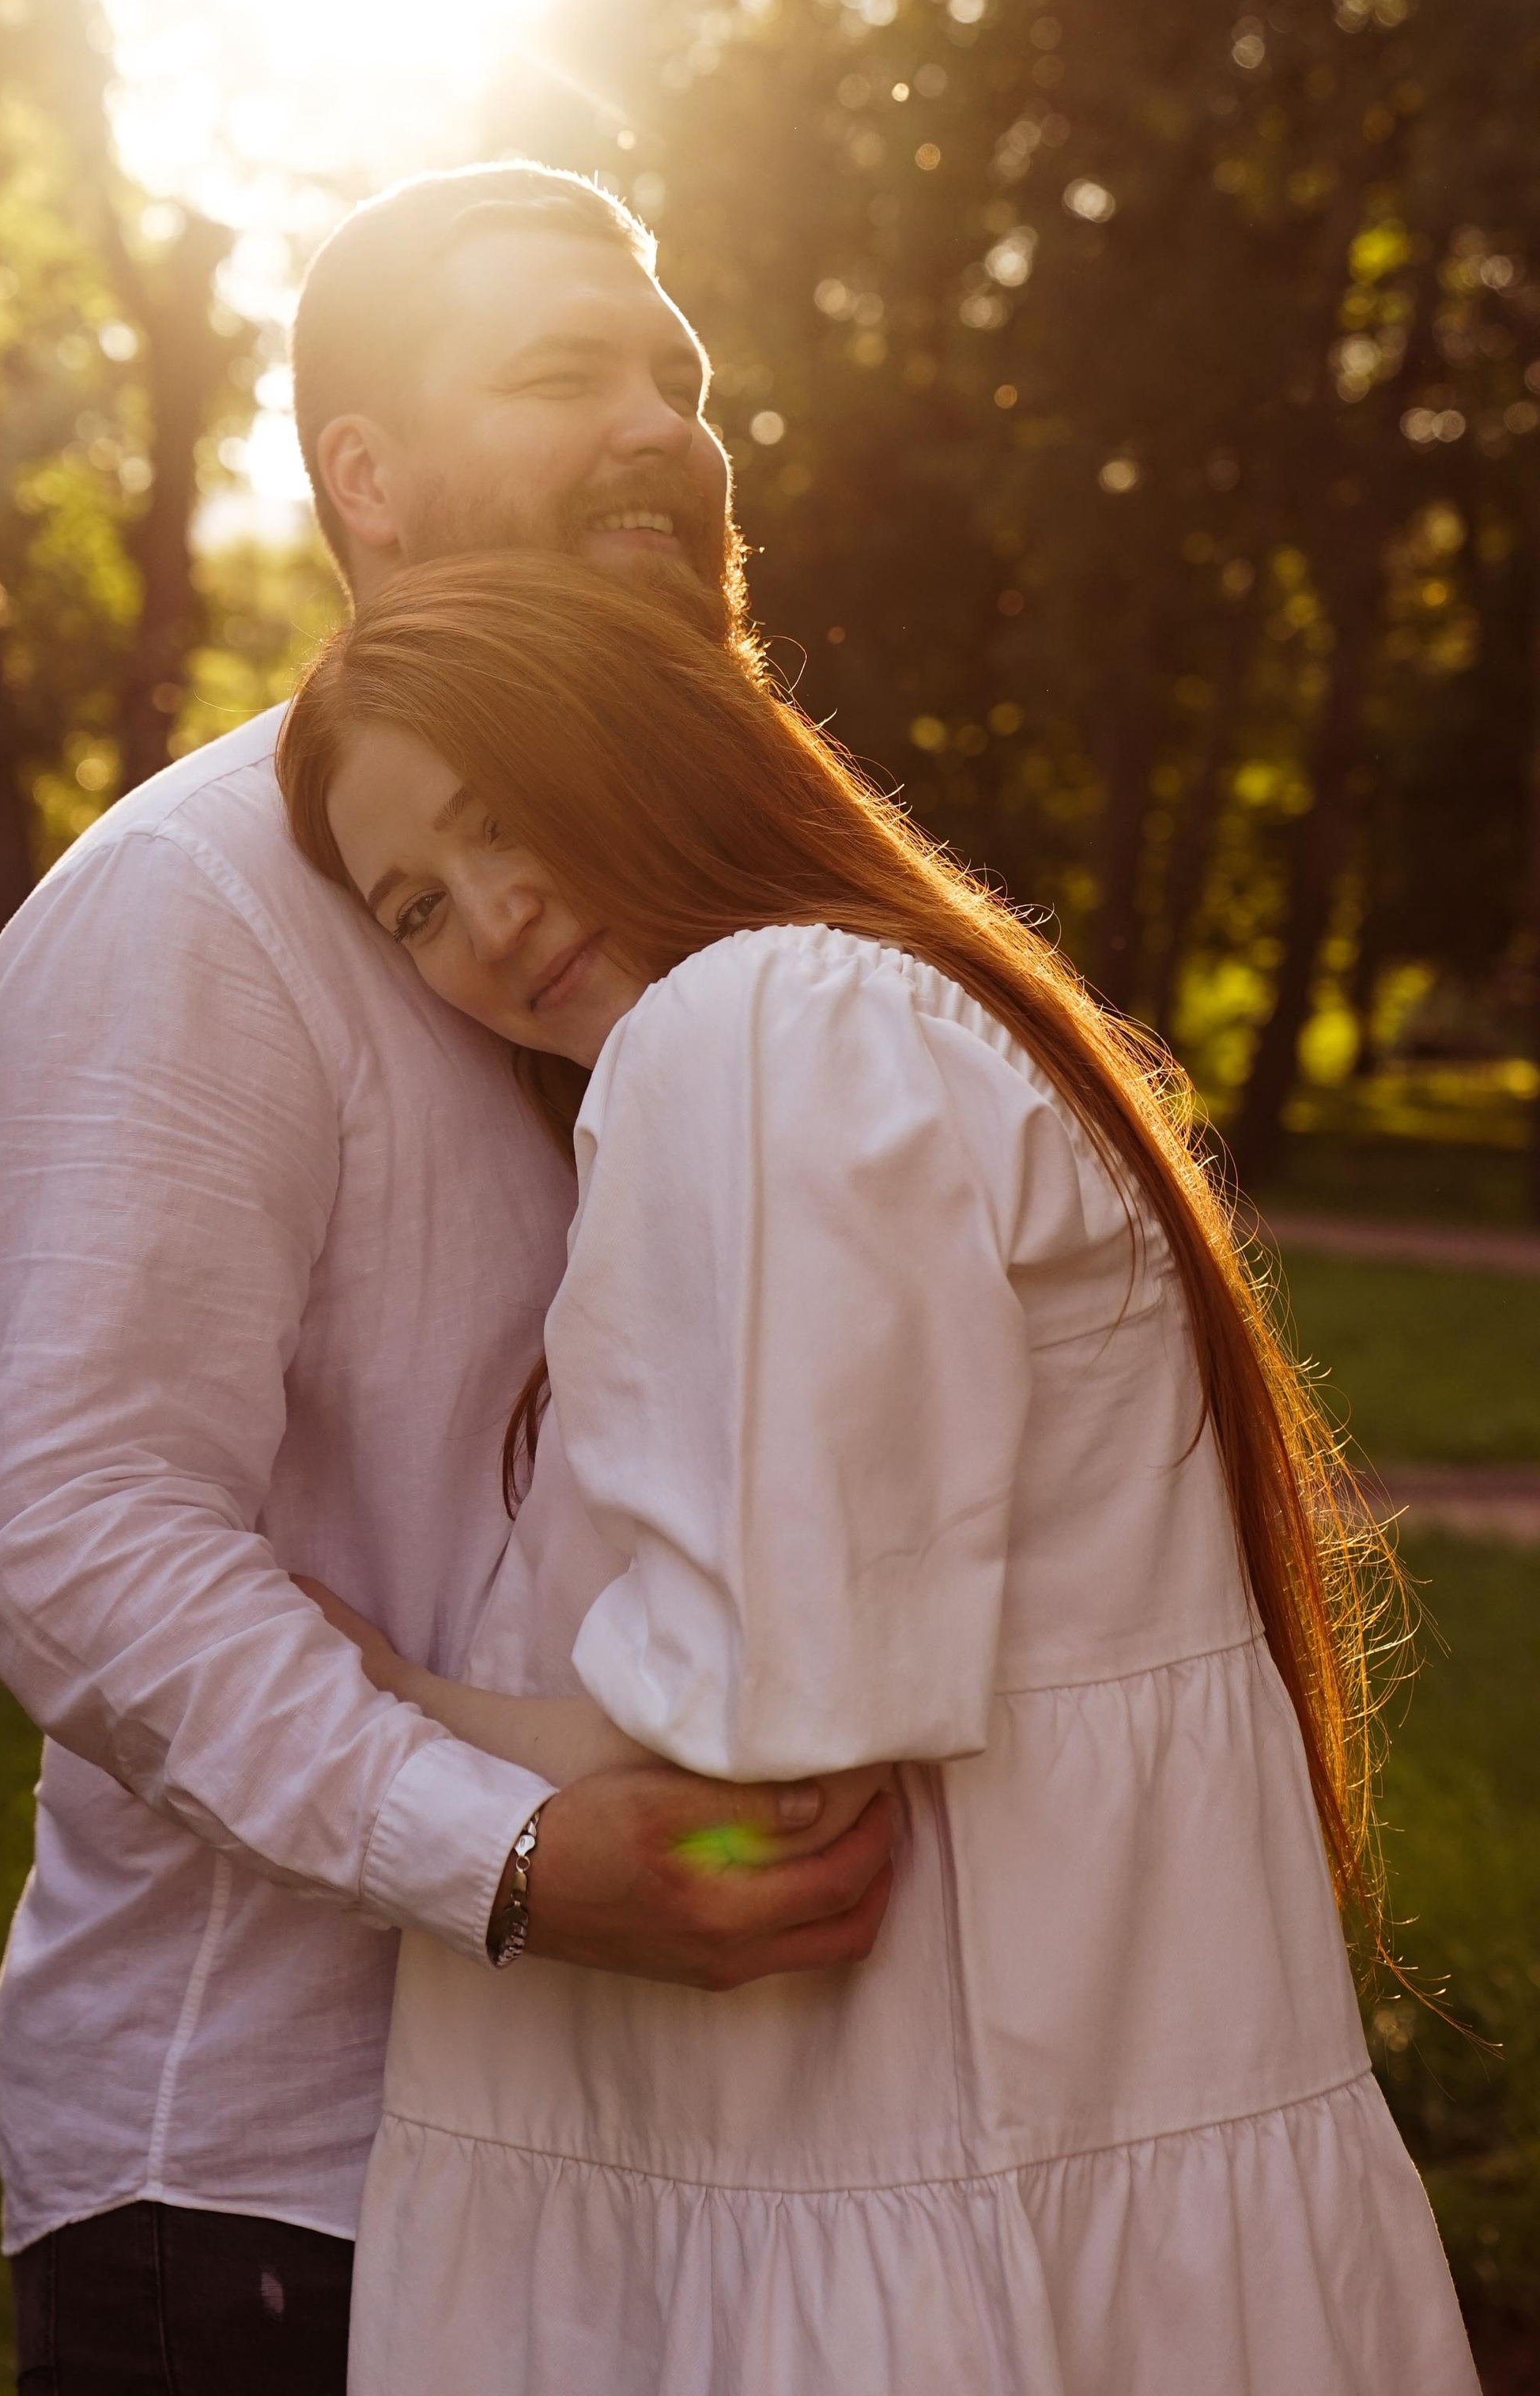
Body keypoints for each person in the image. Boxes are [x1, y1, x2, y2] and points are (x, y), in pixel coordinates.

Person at [276, 552, 1480, 2396]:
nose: (494, 922)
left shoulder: (763, 1031)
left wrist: (376, 1703)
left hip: (914, 2206)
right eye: (418, 904)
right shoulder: (876, 1015)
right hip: (1002, 2182)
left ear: (641, 746)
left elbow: (772, 1755)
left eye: (505, 814)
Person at [0, 165, 897, 2396]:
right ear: (363, 479)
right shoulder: (200, 903)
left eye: (678, 377)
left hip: (628, 2156)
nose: (661, 425)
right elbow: (72, 1540)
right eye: (564, 372)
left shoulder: (691, 940)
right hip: (271, 2212)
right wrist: (516, 1849)